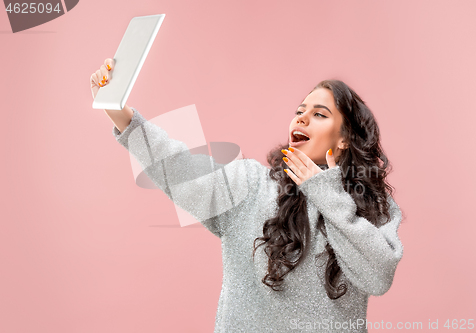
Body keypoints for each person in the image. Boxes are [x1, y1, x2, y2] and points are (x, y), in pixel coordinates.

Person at [90, 58, 405, 333]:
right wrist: (120, 112)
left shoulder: (374, 205)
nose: (302, 118)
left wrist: (325, 191)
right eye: (299, 111)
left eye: (320, 114)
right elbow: (179, 167)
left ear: (345, 139)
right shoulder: (252, 185)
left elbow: (378, 277)